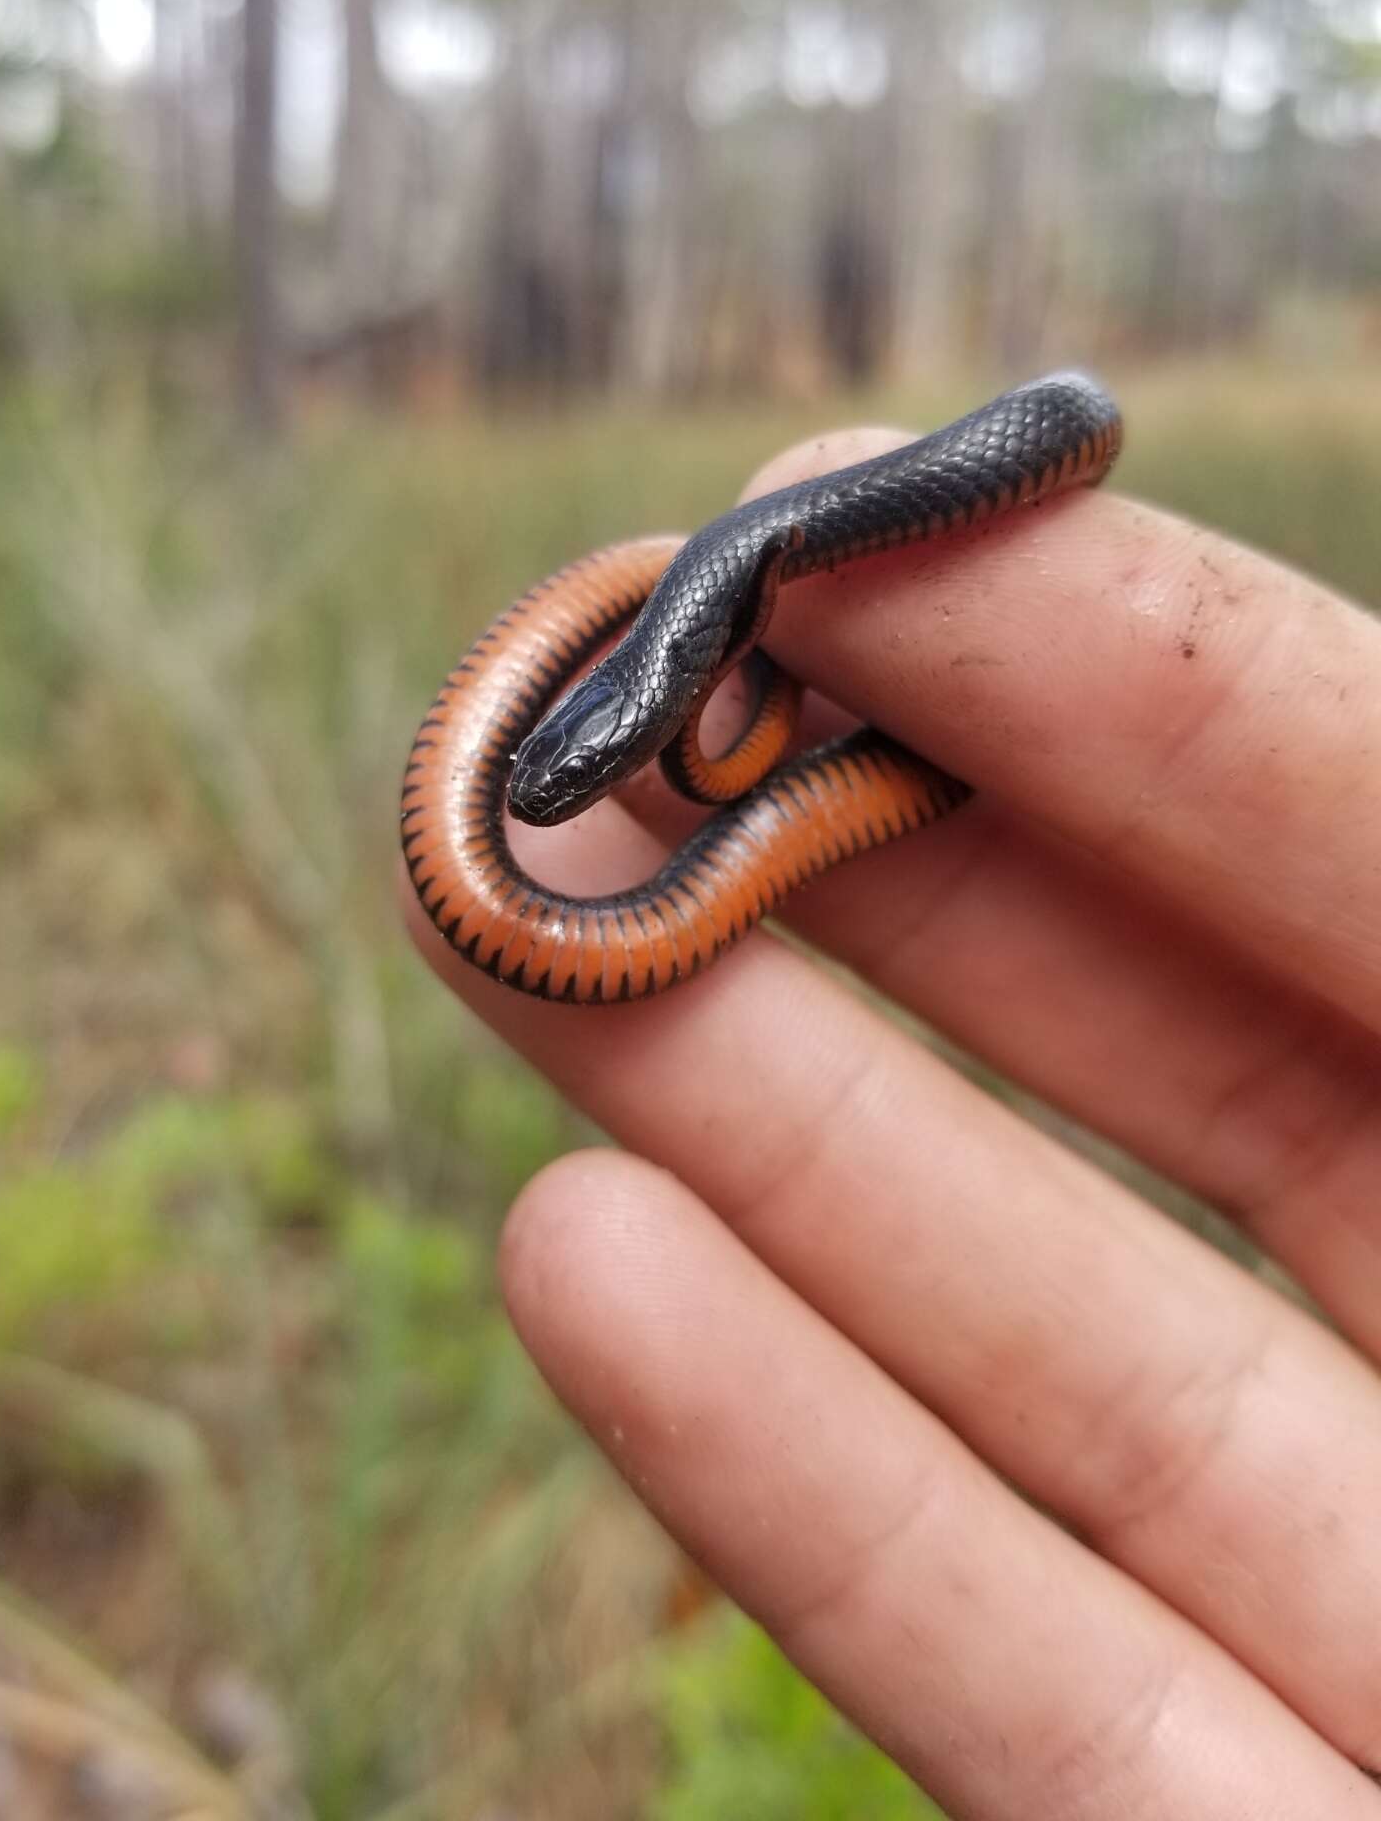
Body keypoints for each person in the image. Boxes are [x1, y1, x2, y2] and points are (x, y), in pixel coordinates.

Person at [406, 422, 1381, 1817]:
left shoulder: (781, 581)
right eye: (560, 777)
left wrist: (735, 762)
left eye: (580, 765)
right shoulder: (704, 618)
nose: (552, 790)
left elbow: (1069, 425)